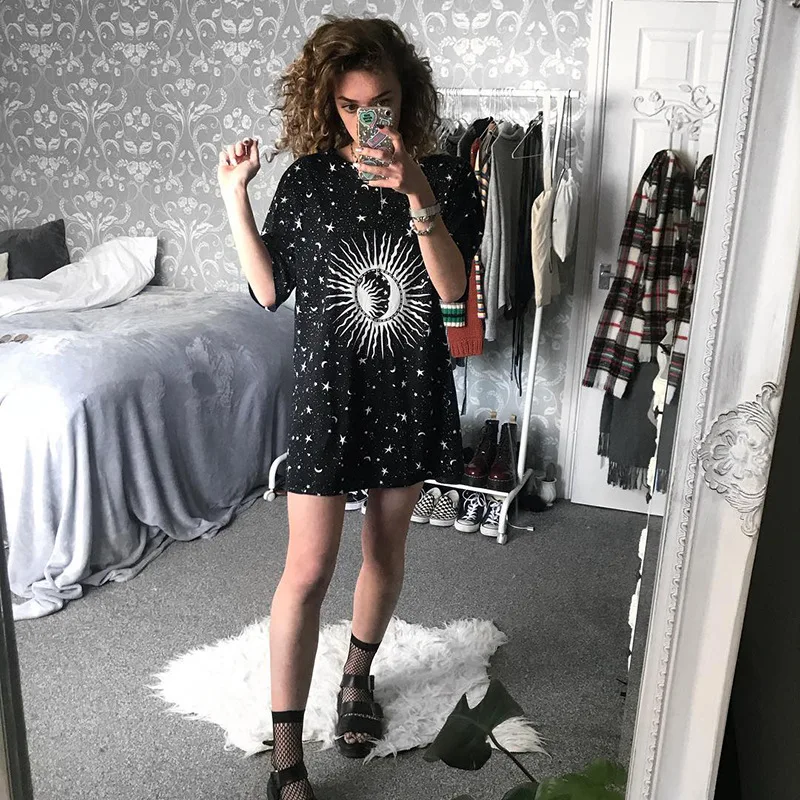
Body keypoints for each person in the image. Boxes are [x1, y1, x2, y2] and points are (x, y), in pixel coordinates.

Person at [218, 15, 482, 800]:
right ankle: (287, 756)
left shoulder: (449, 176)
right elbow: (270, 290)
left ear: (408, 95)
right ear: (326, 102)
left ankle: (357, 678)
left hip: (408, 388)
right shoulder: (306, 180)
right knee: (306, 569)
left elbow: (451, 292)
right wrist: (234, 196)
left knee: (384, 551)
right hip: (326, 394)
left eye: (383, 103)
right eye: (350, 106)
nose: (369, 119)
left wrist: (417, 191)